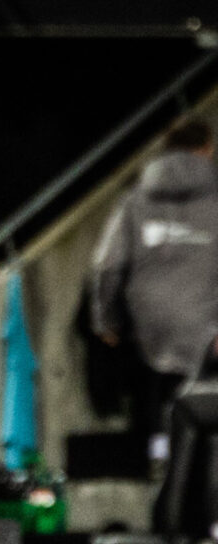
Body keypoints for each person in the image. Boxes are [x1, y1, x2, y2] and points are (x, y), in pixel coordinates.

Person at [90, 116, 218, 475]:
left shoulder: (134, 201)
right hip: (206, 326)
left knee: (154, 385)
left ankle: (159, 458)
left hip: (148, 325)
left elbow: (106, 266)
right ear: (205, 149)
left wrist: (107, 320)